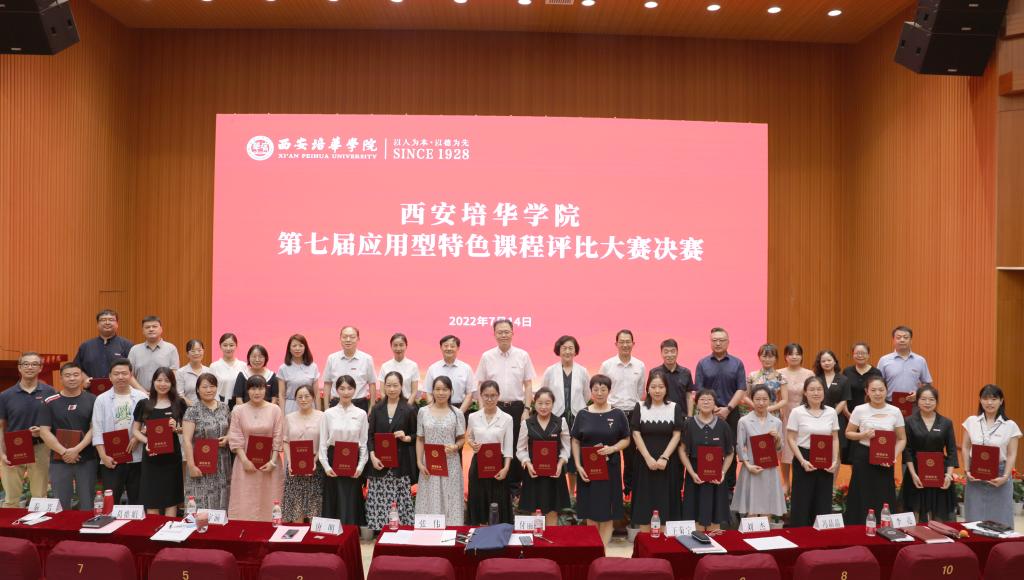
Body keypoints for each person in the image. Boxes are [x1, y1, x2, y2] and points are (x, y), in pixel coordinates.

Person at [476, 319, 536, 486]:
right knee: (494, 446)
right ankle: (494, 483)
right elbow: (480, 384)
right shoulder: (487, 356)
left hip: (517, 408)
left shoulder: (522, 355)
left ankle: (515, 487)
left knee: (516, 446)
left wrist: (527, 409)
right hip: (493, 408)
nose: (503, 335)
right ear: (494, 334)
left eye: (506, 332)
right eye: (500, 332)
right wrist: (481, 410)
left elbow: (528, 384)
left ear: (512, 333)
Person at [571, 375, 630, 544]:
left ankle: (603, 550)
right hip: (588, 470)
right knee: (590, 511)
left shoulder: (617, 414)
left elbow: (626, 439)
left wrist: (613, 448)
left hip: (610, 469)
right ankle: (594, 548)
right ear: (591, 391)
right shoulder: (583, 414)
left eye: (603, 389)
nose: (599, 393)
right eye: (595, 389)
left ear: (609, 391)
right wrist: (578, 465)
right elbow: (575, 440)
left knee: (607, 512)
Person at [844, 376, 906, 525]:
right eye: (873, 390)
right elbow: (848, 433)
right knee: (861, 491)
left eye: (881, 390)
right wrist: (863, 435)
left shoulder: (895, 411)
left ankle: (883, 525)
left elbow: (902, 439)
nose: (877, 393)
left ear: (886, 390)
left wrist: (893, 456)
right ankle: (858, 525)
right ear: (867, 391)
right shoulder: (859, 410)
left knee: (883, 492)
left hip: (885, 458)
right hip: (863, 455)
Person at [0, 352, 57, 507]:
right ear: (19, 367)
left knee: (40, 497)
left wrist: (43, 431)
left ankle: (38, 523)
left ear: (40, 368)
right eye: (25, 364)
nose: (29, 367)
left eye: (34, 364)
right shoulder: (5, 396)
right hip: (13, 449)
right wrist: (1, 453)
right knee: (11, 499)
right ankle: (10, 523)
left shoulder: (50, 392)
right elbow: (1, 427)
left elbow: (56, 422)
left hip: (40, 447)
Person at [38, 362, 97, 511]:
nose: (72, 378)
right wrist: (64, 452)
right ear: (61, 379)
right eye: (67, 375)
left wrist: (76, 449)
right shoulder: (49, 402)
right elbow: (44, 431)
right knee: (61, 504)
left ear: (82, 377)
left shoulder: (93, 400)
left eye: (76, 375)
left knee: (87, 504)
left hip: (87, 458)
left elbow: (94, 429)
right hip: (59, 460)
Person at [962, 384, 1021, 529]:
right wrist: (967, 470)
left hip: (1000, 476)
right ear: (980, 400)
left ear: (1001, 401)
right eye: (985, 398)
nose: (989, 403)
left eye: (994, 399)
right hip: (975, 477)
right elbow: (965, 447)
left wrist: (1005, 476)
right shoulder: (972, 421)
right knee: (974, 520)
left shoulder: (1010, 425)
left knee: (1001, 521)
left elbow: (1011, 454)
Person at [630, 372, 684, 529]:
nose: (657, 390)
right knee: (644, 504)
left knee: (666, 504)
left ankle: (664, 541)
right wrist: (647, 458)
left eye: (661, 387)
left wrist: (664, 457)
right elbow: (636, 433)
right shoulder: (640, 406)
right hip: (644, 463)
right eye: (653, 387)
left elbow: (677, 434)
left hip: (668, 464)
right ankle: (645, 539)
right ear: (648, 388)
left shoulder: (674, 407)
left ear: (666, 389)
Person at [693, 327, 745, 489]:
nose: (718, 343)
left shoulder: (737, 363)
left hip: (731, 412)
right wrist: (714, 408)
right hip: (707, 413)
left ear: (728, 342)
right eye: (714, 340)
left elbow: (741, 389)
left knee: (730, 449)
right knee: (708, 447)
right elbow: (699, 389)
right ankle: (707, 481)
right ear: (710, 342)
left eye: (721, 340)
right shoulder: (703, 363)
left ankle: (729, 488)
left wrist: (728, 409)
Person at [227, 375, 284, 521]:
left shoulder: (275, 410)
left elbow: (278, 437)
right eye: (253, 388)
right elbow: (236, 437)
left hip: (270, 464)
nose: (256, 392)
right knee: (245, 499)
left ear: (266, 390)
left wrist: (273, 461)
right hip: (245, 463)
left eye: (260, 388)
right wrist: (245, 461)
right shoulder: (238, 410)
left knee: (269, 499)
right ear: (247, 391)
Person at [366, 371, 418, 531]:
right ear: (384, 387)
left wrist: (406, 437)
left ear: (401, 386)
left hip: (400, 464)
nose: (392, 389)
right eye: (388, 385)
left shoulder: (409, 409)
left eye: (395, 385)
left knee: (400, 500)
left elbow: (417, 435)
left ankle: (401, 529)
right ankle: (380, 529)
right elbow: (370, 435)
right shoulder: (376, 409)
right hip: (379, 463)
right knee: (379, 497)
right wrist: (372, 456)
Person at [91, 358, 147, 505]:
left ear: (131, 375)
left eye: (124, 373)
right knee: (111, 502)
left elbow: (148, 425)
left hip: (137, 458)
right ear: (110, 376)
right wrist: (103, 456)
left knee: (138, 501)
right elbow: (97, 430)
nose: (120, 377)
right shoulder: (101, 400)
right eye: (116, 374)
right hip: (111, 459)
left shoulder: (142, 397)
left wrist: (137, 437)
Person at [786, 377, 840, 527]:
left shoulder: (831, 412)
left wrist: (834, 461)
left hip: (825, 459)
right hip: (804, 458)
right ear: (805, 392)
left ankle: (821, 535)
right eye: (812, 389)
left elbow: (835, 438)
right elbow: (791, 438)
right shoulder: (797, 412)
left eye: (819, 389)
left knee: (823, 500)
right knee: (802, 500)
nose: (816, 393)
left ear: (824, 391)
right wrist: (802, 461)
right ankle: (800, 534)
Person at [132, 367, 187, 515]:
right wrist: (147, 441)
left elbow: (186, 430)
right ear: (153, 382)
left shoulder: (179, 403)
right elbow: (135, 430)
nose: (163, 384)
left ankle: (170, 528)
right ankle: (153, 527)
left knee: (171, 497)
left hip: (172, 458)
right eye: (159, 380)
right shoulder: (144, 404)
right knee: (152, 497)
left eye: (167, 381)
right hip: (151, 457)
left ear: (172, 383)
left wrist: (177, 428)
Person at [539, 335, 589, 494]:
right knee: (554, 454)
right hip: (556, 418)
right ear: (558, 351)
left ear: (575, 351)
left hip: (576, 418)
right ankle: (556, 493)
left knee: (574, 457)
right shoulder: (550, 371)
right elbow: (544, 393)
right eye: (564, 348)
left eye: (571, 348)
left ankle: (572, 494)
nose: (567, 351)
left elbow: (587, 395)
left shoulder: (583, 371)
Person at [680, 389, 735, 532]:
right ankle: (698, 544)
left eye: (710, 399)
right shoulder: (689, 424)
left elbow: (730, 453)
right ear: (696, 403)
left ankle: (714, 546)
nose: (706, 402)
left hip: (716, 479)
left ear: (715, 403)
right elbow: (682, 451)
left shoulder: (723, 425)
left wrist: (722, 473)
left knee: (715, 520)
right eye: (702, 399)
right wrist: (691, 473)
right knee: (695, 518)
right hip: (695, 476)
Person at [901, 385, 957, 522]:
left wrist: (948, 475)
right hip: (916, 473)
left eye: (931, 399)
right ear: (917, 401)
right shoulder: (909, 421)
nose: (927, 403)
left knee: (938, 515)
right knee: (915, 514)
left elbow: (952, 451)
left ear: (936, 401)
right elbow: (907, 450)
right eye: (923, 399)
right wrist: (913, 474)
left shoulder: (946, 423)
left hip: (940, 473)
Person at [599, 329, 645, 497]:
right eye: (622, 342)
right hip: (612, 412)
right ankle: (610, 489)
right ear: (616, 344)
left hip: (633, 413)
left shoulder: (640, 365)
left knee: (631, 455)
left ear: (633, 344)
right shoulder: (607, 365)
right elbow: (600, 389)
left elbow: (640, 392)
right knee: (610, 453)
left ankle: (629, 491)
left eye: (628, 342)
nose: (625, 345)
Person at [517, 387, 571, 527]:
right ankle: (536, 539)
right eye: (540, 403)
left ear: (553, 404)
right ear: (534, 403)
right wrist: (527, 463)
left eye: (547, 403)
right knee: (535, 511)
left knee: (553, 510)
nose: (543, 407)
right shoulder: (527, 423)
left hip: (555, 473)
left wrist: (560, 464)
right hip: (533, 473)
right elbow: (520, 449)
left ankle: (551, 539)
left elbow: (566, 447)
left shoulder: (560, 422)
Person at [416, 376, 466, 524]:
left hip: (450, 463)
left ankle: (452, 530)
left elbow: (462, 438)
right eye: (437, 389)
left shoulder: (457, 413)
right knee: (429, 497)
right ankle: (429, 532)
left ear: (451, 391)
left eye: (445, 389)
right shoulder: (423, 412)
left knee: (451, 497)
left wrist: (456, 446)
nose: (441, 393)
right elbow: (420, 439)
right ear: (432, 391)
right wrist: (419, 462)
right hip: (429, 464)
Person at [320, 375, 368, 525]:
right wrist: (326, 466)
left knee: (351, 499)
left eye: (349, 388)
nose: (346, 392)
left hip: (353, 461)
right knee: (333, 498)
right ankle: (332, 533)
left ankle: (350, 532)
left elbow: (364, 443)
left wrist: (360, 467)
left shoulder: (361, 414)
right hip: (333, 460)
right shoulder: (328, 413)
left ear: (355, 390)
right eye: (342, 388)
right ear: (336, 390)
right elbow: (323, 443)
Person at [731, 385, 785, 518]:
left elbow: (779, 448)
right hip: (751, 468)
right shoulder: (744, 421)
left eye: (765, 399)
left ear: (770, 400)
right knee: (752, 510)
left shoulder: (776, 422)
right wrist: (748, 465)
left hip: (769, 468)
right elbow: (740, 445)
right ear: (752, 400)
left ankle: (766, 531)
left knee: (768, 508)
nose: (761, 403)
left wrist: (777, 438)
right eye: (757, 399)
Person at [466, 380, 515, 525]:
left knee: (498, 500)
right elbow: (469, 436)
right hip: (478, 464)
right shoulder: (473, 417)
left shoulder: (507, 418)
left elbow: (508, 447)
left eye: (493, 395)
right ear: (480, 396)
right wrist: (471, 443)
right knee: (478, 498)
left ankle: (499, 531)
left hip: (498, 465)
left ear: (498, 396)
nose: (489, 399)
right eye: (486, 395)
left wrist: (506, 468)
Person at [182, 373, 231, 512]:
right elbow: (187, 440)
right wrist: (191, 465)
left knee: (221, 500)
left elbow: (231, 429)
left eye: (212, 386)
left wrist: (227, 438)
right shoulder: (192, 411)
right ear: (198, 389)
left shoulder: (225, 408)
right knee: (200, 501)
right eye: (204, 387)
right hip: (200, 464)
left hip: (222, 464)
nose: (209, 390)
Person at [281, 384, 324, 523]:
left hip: (315, 466)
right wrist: (290, 462)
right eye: (300, 397)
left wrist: (314, 461)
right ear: (295, 399)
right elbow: (285, 441)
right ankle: (298, 533)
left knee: (314, 507)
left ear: (313, 398)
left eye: (307, 396)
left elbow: (324, 443)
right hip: (294, 467)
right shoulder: (289, 417)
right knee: (296, 508)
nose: (303, 399)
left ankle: (314, 535)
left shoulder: (322, 416)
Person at [778, 343, 814, 493]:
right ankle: (786, 482)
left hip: (804, 415)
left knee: (802, 446)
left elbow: (812, 393)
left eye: (797, 354)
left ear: (802, 356)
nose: (794, 357)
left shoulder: (809, 374)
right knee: (785, 450)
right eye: (790, 354)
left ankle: (799, 482)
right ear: (785, 356)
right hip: (785, 415)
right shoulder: (778, 373)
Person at [840, 343, 881, 463]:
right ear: (853, 355)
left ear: (868, 355)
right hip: (849, 416)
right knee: (850, 451)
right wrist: (847, 413)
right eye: (857, 353)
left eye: (863, 353)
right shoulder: (847, 371)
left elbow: (879, 394)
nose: (860, 355)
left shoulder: (876, 372)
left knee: (867, 447)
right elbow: (843, 394)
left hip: (870, 416)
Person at [322, 326, 376, 411]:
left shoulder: (367, 359)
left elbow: (372, 384)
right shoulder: (332, 358)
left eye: (352, 337)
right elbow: (327, 383)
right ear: (340, 338)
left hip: (359, 404)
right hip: (336, 404)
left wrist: (372, 407)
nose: (348, 340)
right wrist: (326, 408)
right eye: (344, 337)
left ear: (358, 339)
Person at [73, 309, 133, 382]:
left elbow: (133, 370)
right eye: (103, 320)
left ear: (117, 324)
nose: (107, 323)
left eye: (111, 320)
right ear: (97, 325)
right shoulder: (86, 346)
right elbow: (76, 367)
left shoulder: (127, 345)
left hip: (120, 387)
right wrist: (85, 379)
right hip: (92, 388)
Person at [878, 325, 933, 404]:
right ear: (893, 340)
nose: (902, 340)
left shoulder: (920, 360)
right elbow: (878, 383)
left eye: (905, 337)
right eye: (898, 337)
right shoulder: (884, 360)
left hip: (913, 404)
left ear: (911, 341)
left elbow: (927, 384)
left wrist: (918, 394)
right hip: (889, 403)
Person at [422, 335, 475, 416]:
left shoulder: (466, 368)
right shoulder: (433, 368)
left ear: (458, 348)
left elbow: (469, 394)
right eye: (446, 346)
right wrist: (434, 410)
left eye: (452, 346)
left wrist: (459, 413)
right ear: (441, 347)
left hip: (460, 409)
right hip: (437, 409)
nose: (449, 348)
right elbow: (428, 392)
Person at [814, 349, 851, 463]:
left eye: (829, 360)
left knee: (836, 452)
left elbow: (844, 400)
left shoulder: (844, 379)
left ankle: (834, 475)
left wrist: (832, 414)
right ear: (820, 363)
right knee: (819, 448)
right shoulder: (816, 379)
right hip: (817, 416)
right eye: (823, 361)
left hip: (837, 418)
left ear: (835, 361)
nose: (826, 363)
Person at [127, 316, 179, 392]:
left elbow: (174, 374)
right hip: (140, 395)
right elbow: (129, 375)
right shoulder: (134, 350)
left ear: (161, 329)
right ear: (143, 330)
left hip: (164, 394)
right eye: (147, 327)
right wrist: (142, 392)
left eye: (154, 326)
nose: (151, 329)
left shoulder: (171, 349)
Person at [277, 334, 320, 414]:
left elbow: (316, 393)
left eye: (300, 345)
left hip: (309, 406)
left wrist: (318, 413)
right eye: (294, 346)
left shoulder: (313, 366)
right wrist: (282, 415)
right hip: (291, 407)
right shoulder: (283, 368)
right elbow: (281, 395)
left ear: (305, 348)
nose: (297, 348)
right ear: (289, 349)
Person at [648, 338, 694, 412]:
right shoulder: (654, 372)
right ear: (661, 353)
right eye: (666, 352)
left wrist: (689, 416)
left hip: (681, 415)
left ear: (677, 352)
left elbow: (689, 397)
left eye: (672, 351)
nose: (669, 355)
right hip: (660, 414)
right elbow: (650, 395)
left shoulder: (686, 372)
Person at [745, 343, 787, 418]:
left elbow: (784, 400)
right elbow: (745, 396)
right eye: (764, 356)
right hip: (755, 413)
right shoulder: (752, 375)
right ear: (759, 357)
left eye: (770, 357)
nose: (767, 359)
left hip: (773, 414)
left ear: (776, 358)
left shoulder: (781, 377)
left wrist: (769, 409)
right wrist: (756, 406)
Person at [378, 333, 420, 401]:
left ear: (406, 346)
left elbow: (414, 392)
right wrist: (388, 405)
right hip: (389, 403)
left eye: (401, 345)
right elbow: (382, 392)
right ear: (391, 346)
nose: (398, 348)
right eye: (395, 345)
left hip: (407, 402)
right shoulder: (385, 366)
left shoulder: (413, 365)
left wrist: (407, 406)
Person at [210, 333, 246, 404]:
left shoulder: (243, 365)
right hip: (219, 403)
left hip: (239, 404)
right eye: (225, 345)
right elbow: (211, 387)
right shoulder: (214, 366)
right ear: (220, 346)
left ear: (236, 346)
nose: (228, 348)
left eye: (231, 345)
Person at [176, 339, 210, 406]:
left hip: (207, 408)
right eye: (193, 351)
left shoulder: (209, 371)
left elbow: (213, 392)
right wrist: (194, 406)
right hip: (188, 409)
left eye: (199, 350)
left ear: (203, 352)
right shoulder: (180, 372)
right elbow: (180, 394)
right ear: (187, 354)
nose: (196, 353)